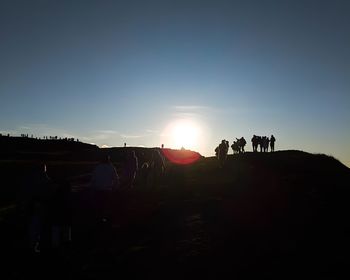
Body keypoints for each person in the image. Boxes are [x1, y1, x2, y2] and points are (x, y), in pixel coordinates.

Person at [89, 154, 120, 222]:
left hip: (98, 189)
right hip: (107, 190)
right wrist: (116, 187)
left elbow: (93, 179)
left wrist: (92, 188)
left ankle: (98, 219)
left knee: (99, 205)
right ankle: (103, 219)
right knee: (105, 205)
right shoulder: (111, 168)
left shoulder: (97, 167)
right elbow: (116, 178)